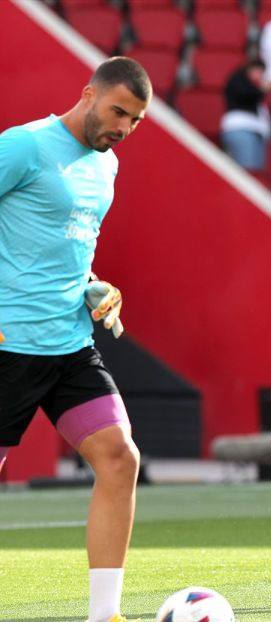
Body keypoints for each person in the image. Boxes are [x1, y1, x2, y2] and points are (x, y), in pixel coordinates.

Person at [0, 57, 151, 622]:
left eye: (135, 120)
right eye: (117, 112)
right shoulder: (24, 146)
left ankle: (104, 614)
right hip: (8, 343)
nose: (123, 129)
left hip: (69, 344)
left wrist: (96, 287)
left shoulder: (106, 167)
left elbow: (69, 252)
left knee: (119, 458)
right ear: (88, 94)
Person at [220, 60, 271, 172]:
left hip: (256, 132)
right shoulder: (238, 80)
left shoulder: (257, 89)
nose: (260, 75)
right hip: (241, 130)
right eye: (257, 70)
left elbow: (265, 112)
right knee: (248, 173)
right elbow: (245, 95)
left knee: (257, 174)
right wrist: (262, 89)